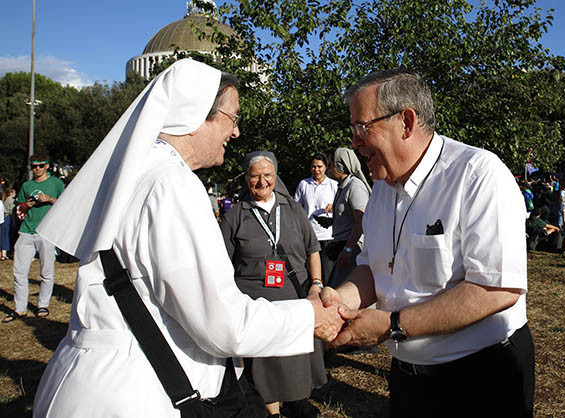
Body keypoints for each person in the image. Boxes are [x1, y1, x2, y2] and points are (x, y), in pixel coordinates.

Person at [32, 59, 343, 418]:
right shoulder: (172, 184)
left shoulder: (138, 173)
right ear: (197, 116)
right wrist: (309, 316)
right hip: (135, 394)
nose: (236, 132)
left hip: (93, 379)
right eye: (232, 118)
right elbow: (222, 323)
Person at [319, 69, 535, 417]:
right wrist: (338, 301)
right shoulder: (381, 188)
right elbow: (373, 267)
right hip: (408, 376)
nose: (355, 141)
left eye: (362, 127)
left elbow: (496, 289)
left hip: (481, 378)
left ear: (405, 122)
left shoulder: (477, 174)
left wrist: (392, 326)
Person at [220, 151, 326, 418]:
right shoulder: (236, 216)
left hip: (295, 294)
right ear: (246, 178)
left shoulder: (292, 208)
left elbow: (313, 249)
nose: (262, 181)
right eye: (255, 176)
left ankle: (297, 399)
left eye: (267, 175)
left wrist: (316, 284)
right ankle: (272, 410)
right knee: (265, 361)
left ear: (275, 176)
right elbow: (221, 262)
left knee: (295, 355)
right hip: (256, 300)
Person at [2, 156, 64, 323]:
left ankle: (43, 305)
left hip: (47, 231)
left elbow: (66, 204)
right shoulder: (27, 185)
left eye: (41, 166)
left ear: (47, 166)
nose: (37, 169)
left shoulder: (56, 183)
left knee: (46, 272)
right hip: (26, 231)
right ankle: (20, 308)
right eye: (34, 166)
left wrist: (50, 199)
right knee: (19, 272)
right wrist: (26, 205)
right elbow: (19, 208)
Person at [316, 148, 370, 289]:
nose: (328, 168)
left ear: (340, 166)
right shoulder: (343, 187)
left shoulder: (355, 186)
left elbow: (361, 221)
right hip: (345, 247)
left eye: (331, 164)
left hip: (354, 249)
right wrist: (331, 222)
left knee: (342, 290)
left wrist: (348, 249)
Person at [294, 153, 338, 285]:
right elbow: (296, 207)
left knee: (328, 273)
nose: (316, 170)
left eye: (319, 166)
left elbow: (342, 207)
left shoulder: (333, 185)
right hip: (309, 235)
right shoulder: (304, 184)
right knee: (311, 273)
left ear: (326, 167)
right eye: (313, 167)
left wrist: (333, 206)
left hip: (328, 235)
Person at [0, 187, 15, 260]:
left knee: (2, 235)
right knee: (6, 235)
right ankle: (4, 254)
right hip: (7, 218)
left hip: (2, 218)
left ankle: (1, 253)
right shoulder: (11, 201)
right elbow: (11, 211)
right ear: (11, 193)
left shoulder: (4, 200)